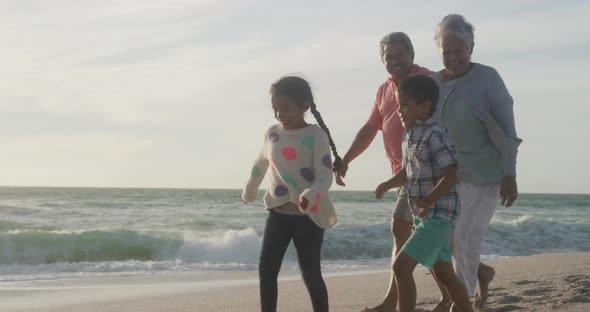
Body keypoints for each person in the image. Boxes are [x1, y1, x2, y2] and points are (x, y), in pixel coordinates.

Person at [333, 32, 441, 312]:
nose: (395, 61)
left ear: (412, 54)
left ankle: (395, 302)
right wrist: (346, 160)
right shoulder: (384, 90)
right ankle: (463, 283)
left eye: (400, 55)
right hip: (402, 173)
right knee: (425, 237)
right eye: (388, 57)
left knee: (402, 230)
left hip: (424, 171)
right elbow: (371, 128)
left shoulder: (428, 80)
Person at [431, 14, 522, 309]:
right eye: (448, 52)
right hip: (449, 175)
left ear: (472, 47)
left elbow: (508, 131)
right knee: (446, 240)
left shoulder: (487, 77)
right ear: (439, 51)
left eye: (460, 50)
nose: (454, 57)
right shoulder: (433, 83)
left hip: (485, 173)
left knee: (464, 237)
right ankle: (473, 284)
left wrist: (510, 173)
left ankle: (463, 301)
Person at [242, 75, 342, 312]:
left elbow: (324, 175)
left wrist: (311, 194)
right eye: (275, 109)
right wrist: (250, 188)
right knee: (266, 270)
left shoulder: (316, 136)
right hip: (277, 212)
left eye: (285, 109)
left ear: (304, 106)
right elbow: (260, 163)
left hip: (308, 216)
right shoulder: (272, 133)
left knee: (311, 274)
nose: (279, 115)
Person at [375, 75, 473, 312]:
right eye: (398, 105)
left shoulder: (433, 134)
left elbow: (451, 173)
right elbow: (408, 173)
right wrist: (388, 184)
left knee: (401, 267)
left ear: (425, 106)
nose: (400, 110)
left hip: (439, 213)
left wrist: (429, 199)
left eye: (405, 104)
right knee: (443, 271)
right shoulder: (409, 135)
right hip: (424, 214)